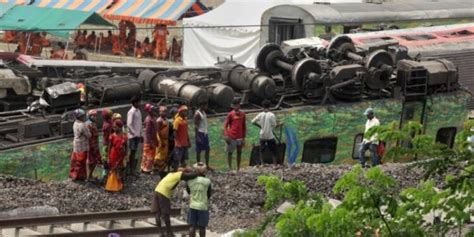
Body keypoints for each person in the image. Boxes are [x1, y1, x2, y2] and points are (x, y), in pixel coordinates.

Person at [151, 167, 197, 237]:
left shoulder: (171, 174)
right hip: (164, 193)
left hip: (157, 190)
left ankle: (160, 232)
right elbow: (191, 176)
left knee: (157, 213)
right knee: (166, 213)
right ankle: (169, 232)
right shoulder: (179, 174)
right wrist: (198, 173)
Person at [186, 162, 212, 237]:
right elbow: (209, 194)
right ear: (204, 171)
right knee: (202, 227)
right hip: (203, 206)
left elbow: (188, 191)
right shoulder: (207, 181)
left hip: (192, 205)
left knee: (192, 226)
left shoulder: (190, 181)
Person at [251, 100, 278, 165]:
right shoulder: (271, 115)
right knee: (273, 150)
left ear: (263, 106)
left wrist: (260, 126)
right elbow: (274, 125)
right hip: (269, 135)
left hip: (262, 135)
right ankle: (274, 164)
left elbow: (253, 122)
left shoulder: (260, 114)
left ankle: (262, 164)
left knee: (261, 150)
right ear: (270, 106)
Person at [224, 99, 246, 171]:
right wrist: (226, 135)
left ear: (239, 105)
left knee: (239, 152)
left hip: (240, 137)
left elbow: (244, 126)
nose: (237, 106)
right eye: (235, 105)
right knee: (230, 152)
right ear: (233, 106)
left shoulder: (243, 114)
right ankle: (230, 168)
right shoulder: (230, 114)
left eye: (238, 104)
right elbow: (225, 126)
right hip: (232, 136)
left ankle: (238, 168)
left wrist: (243, 138)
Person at [106, 120, 127, 192]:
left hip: (121, 155)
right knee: (114, 169)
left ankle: (120, 184)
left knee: (120, 169)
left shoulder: (124, 136)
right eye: (113, 127)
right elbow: (109, 147)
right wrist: (108, 157)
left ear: (120, 127)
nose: (114, 128)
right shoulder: (112, 136)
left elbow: (126, 146)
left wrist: (126, 156)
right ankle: (112, 186)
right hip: (113, 155)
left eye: (116, 127)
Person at [70, 109, 91, 181]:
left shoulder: (75, 123)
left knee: (76, 161)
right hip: (82, 146)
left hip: (76, 146)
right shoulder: (82, 125)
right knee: (81, 162)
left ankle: (74, 175)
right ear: (80, 117)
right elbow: (89, 135)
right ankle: (80, 177)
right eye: (83, 116)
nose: (84, 117)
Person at [127, 96, 143, 176]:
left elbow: (140, 123)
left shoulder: (138, 111)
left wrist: (141, 133)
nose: (140, 103)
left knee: (135, 152)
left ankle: (133, 169)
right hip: (133, 136)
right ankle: (131, 170)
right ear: (135, 103)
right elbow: (129, 124)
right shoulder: (131, 112)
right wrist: (135, 133)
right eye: (139, 102)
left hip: (138, 134)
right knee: (132, 152)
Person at [141, 104, 158, 173]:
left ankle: (144, 167)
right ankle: (147, 169)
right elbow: (147, 133)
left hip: (153, 138)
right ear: (149, 111)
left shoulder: (153, 118)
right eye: (152, 110)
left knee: (149, 154)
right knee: (149, 155)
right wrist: (151, 143)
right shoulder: (148, 120)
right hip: (149, 141)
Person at [173, 105, 191, 170]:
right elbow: (175, 132)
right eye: (184, 111)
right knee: (177, 158)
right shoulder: (177, 121)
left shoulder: (185, 120)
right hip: (179, 143)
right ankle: (175, 170)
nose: (186, 113)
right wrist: (177, 142)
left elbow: (186, 132)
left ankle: (183, 169)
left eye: (186, 111)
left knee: (184, 158)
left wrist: (188, 141)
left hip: (185, 142)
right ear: (180, 112)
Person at [86, 110, 102, 182]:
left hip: (94, 144)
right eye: (93, 116)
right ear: (89, 116)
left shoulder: (92, 123)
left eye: (95, 116)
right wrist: (94, 147)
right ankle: (89, 176)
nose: (95, 117)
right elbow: (90, 137)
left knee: (93, 161)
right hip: (92, 146)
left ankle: (90, 175)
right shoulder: (89, 125)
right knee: (93, 161)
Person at [194, 103, 211, 169]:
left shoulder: (203, 112)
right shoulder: (197, 114)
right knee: (199, 150)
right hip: (200, 133)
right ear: (201, 105)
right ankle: (198, 166)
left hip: (205, 133)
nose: (206, 107)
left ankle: (207, 165)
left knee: (207, 149)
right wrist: (197, 136)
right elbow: (196, 126)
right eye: (205, 105)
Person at [154, 106, 170, 175]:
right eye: (162, 111)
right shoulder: (159, 120)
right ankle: (156, 168)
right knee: (159, 153)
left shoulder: (166, 119)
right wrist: (160, 141)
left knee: (164, 153)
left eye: (165, 111)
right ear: (159, 112)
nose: (164, 113)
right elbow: (157, 132)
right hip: (161, 139)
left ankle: (162, 167)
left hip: (166, 139)